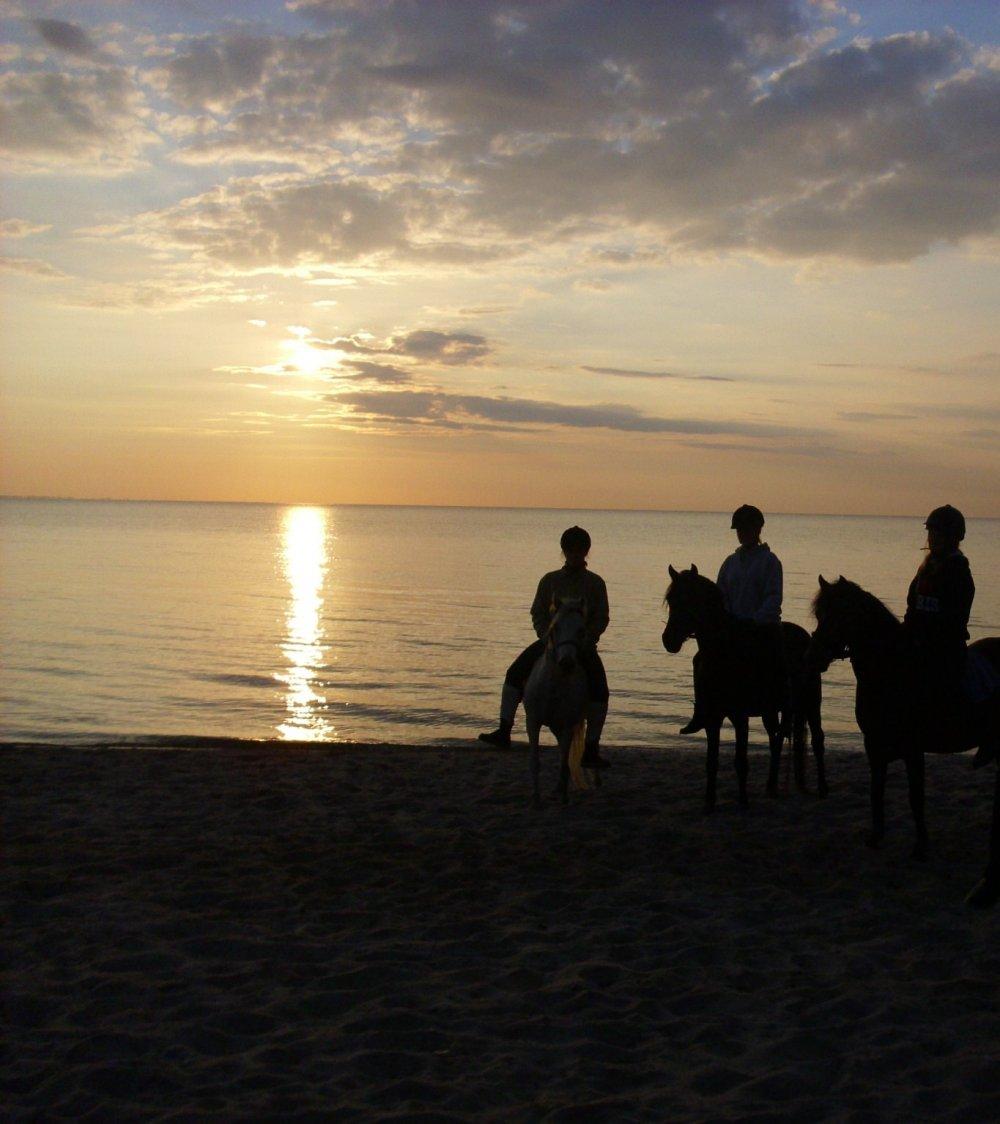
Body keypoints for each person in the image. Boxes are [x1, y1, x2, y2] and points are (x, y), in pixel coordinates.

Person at [478, 526, 611, 767]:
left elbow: (602, 617)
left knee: (600, 689)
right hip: (550, 642)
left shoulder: (595, 584)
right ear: (564, 551)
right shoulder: (549, 581)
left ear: (586, 552)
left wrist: (588, 639)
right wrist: (543, 635)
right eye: (571, 551)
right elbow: (538, 611)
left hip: (580, 645)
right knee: (515, 672)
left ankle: (591, 748)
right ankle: (504, 729)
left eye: (579, 551)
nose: (575, 555)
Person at [679, 504, 784, 735]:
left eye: (746, 529)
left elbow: (773, 599)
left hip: (761, 627)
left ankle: (774, 705)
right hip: (733, 627)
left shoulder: (770, 562)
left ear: (757, 530)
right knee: (700, 659)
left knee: (769, 660)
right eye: (739, 529)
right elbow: (720, 595)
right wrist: (726, 619)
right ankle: (702, 711)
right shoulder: (730, 563)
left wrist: (754, 620)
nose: (742, 533)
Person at [902, 504, 975, 733]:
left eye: (938, 533)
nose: (932, 538)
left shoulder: (958, 572)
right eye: (931, 532)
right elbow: (912, 605)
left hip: (945, 646)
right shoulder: (925, 569)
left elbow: (954, 617)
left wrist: (925, 636)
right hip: (918, 639)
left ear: (952, 537)